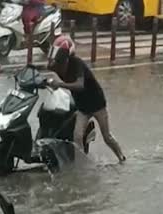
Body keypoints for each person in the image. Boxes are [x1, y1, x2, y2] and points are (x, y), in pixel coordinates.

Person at [45, 35, 126, 164]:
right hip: (82, 107)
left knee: (107, 136)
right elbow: (46, 67)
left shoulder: (77, 63)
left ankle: (121, 157)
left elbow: (79, 85)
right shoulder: (57, 65)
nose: (58, 63)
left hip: (97, 104)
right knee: (77, 137)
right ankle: (82, 164)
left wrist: (59, 84)